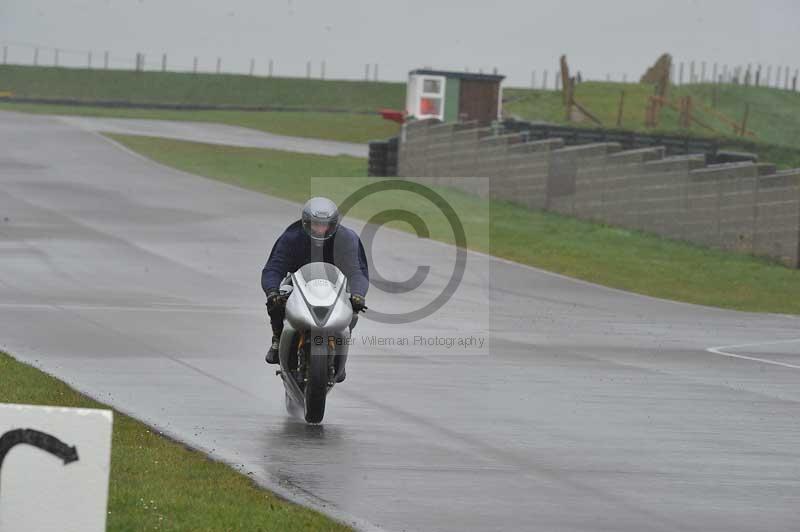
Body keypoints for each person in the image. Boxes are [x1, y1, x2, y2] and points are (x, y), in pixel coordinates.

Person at [261, 197, 369, 368]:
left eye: (324, 224)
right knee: (276, 302)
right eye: (315, 224)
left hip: (335, 286)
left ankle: (340, 352)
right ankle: (277, 338)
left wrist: (358, 294)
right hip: (298, 283)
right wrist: (272, 291)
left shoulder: (347, 239)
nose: (320, 229)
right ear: (306, 222)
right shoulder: (291, 237)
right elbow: (273, 269)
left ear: (333, 224)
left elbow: (358, 272)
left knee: (353, 311)